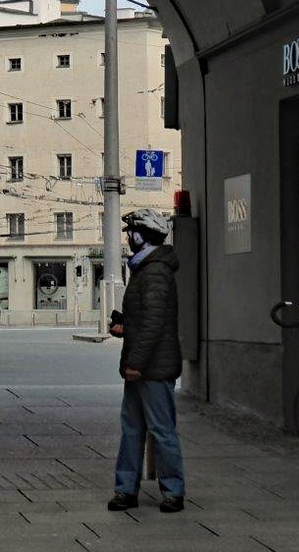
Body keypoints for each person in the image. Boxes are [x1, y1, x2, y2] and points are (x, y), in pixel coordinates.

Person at [106, 208, 186, 514]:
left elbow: (155, 324)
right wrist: (124, 325)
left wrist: (136, 363)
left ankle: (173, 491)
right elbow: (147, 319)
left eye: (131, 233)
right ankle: (126, 490)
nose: (128, 238)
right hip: (140, 367)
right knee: (132, 429)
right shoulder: (145, 269)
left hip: (152, 368)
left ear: (142, 236)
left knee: (162, 430)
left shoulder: (155, 271)